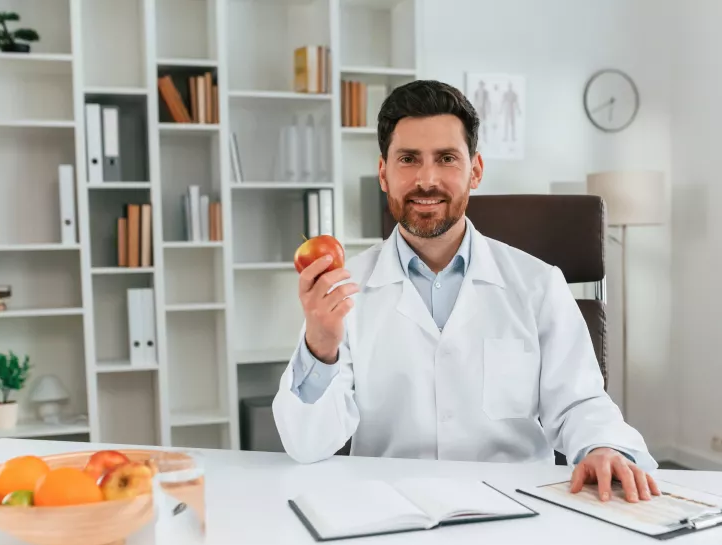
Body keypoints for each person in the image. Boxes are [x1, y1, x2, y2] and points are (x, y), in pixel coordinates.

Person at [273, 80, 659, 503]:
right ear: (383, 173)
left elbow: (579, 402)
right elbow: (306, 445)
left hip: (516, 508)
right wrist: (321, 346)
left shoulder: (538, 284)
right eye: (408, 159)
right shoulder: (345, 289)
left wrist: (604, 447)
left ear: (475, 170)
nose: (426, 179)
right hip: (389, 514)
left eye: (446, 158)